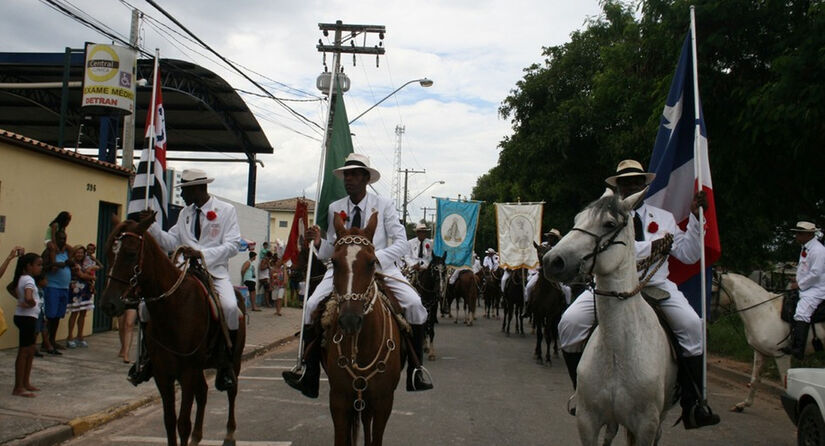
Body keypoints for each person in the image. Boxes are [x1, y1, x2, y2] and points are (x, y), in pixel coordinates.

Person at [557, 159, 718, 429]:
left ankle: (693, 402)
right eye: (624, 181)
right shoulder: (602, 217)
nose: (630, 185)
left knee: (692, 326)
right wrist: (655, 244)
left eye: (636, 181)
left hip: (656, 284)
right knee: (569, 323)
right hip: (610, 286)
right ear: (617, 186)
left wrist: (695, 218)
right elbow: (619, 251)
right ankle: (581, 394)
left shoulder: (663, 217)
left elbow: (689, 253)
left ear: (644, 185)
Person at [283, 153, 433, 398]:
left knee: (415, 305)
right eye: (346, 174)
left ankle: (416, 370)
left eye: (353, 174)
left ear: (365, 178)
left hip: (381, 267)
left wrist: (372, 261)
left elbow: (402, 243)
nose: (348, 179)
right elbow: (333, 249)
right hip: (342, 269)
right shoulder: (335, 207)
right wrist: (320, 242)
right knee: (311, 305)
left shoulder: (384, 204)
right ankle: (307, 373)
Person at [134, 168, 242, 392]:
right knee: (145, 307)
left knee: (231, 307)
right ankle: (147, 357)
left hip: (214, 271)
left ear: (199, 188)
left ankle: (225, 362)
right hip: (184, 270)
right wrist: (151, 226)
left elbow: (232, 245)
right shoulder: (185, 214)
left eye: (185, 190)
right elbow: (170, 241)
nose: (182, 195)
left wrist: (202, 254)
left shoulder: (226, 210)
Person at [780, 221, 825, 360]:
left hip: (817, 289)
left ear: (809, 234)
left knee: (801, 313)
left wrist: (799, 284)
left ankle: (798, 349)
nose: (796, 236)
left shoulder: (818, 250)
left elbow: (816, 273)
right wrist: (796, 279)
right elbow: (805, 269)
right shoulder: (805, 248)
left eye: (799, 233)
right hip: (808, 286)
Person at [7, 253, 43, 397]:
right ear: (29, 266)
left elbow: (12, 289)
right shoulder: (28, 279)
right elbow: (29, 297)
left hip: (27, 317)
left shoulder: (23, 279)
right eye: (38, 265)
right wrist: (31, 302)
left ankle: (25, 382)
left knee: (30, 350)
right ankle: (18, 386)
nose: (40, 268)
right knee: (24, 352)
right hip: (26, 318)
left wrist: (22, 300)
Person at [42, 230, 74, 351]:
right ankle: (46, 343)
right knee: (50, 316)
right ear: (55, 239)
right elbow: (42, 268)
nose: (63, 241)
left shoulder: (66, 252)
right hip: (52, 287)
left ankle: (52, 340)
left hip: (64, 288)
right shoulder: (49, 252)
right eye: (60, 238)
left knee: (57, 316)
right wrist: (54, 265)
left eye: (64, 238)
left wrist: (69, 263)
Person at [66, 246, 95, 348]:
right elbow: (82, 276)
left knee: (83, 313)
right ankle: (70, 337)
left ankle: (80, 336)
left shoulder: (86, 263)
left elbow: (99, 266)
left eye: (82, 253)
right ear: (74, 253)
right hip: (76, 290)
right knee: (74, 313)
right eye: (78, 252)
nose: (80, 254)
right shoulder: (73, 264)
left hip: (85, 290)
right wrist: (92, 277)